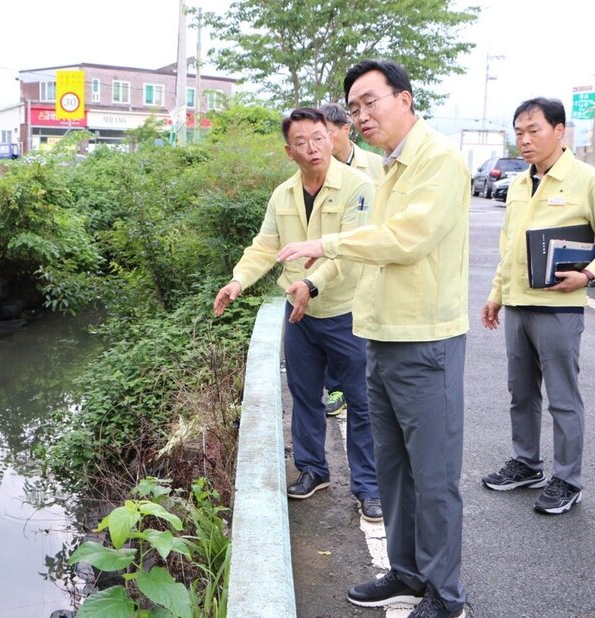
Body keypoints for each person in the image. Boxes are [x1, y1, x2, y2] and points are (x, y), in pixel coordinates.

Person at [277, 59, 470, 618]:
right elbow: (372, 239)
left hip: (425, 340)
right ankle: (408, 573)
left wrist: (326, 245)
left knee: (433, 477)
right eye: (353, 108)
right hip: (381, 336)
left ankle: (446, 593)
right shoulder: (390, 168)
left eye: (370, 102)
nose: (360, 116)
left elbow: (405, 240)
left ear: (405, 99)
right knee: (394, 469)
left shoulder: (438, 161)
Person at [213, 107, 382, 521]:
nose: (313, 148)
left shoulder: (359, 187)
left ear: (332, 138)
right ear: (290, 151)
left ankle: (369, 487)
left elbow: (351, 250)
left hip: (347, 311)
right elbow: (264, 246)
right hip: (299, 315)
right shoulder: (283, 194)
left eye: (319, 138)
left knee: (362, 402)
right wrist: (238, 281)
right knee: (305, 397)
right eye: (302, 142)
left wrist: (312, 284)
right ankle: (312, 469)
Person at [480, 97, 595, 515]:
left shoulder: (590, 181)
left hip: (559, 309)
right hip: (517, 305)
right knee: (521, 393)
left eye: (534, 131)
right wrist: (496, 295)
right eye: (519, 132)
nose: (525, 140)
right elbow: (508, 249)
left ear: (559, 131)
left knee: (563, 398)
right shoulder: (518, 184)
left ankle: (568, 479)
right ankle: (527, 464)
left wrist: (587, 275)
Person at [317, 103, 386, 418]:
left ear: (346, 129)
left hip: (370, 262)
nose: (323, 142)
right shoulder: (318, 169)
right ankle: (337, 389)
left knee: (363, 338)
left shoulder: (376, 166)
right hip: (332, 262)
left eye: (328, 133)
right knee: (336, 330)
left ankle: (364, 391)